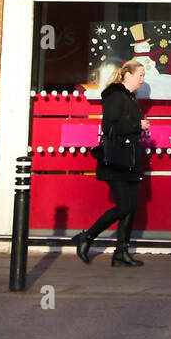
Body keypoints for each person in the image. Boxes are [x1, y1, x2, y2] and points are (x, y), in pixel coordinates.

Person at [71, 59, 150, 267]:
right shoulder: (116, 95)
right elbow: (109, 127)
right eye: (140, 75)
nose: (143, 79)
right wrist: (137, 124)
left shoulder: (130, 98)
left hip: (129, 159)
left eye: (143, 75)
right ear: (128, 75)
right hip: (117, 161)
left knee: (132, 206)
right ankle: (86, 237)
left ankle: (121, 252)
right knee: (124, 205)